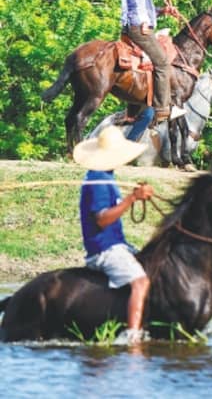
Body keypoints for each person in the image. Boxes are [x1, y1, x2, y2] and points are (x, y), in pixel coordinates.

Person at [74, 125, 156, 345]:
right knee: (140, 282)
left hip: (117, 245)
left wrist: (136, 196)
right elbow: (102, 219)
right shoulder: (98, 179)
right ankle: (133, 337)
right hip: (104, 249)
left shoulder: (106, 176)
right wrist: (131, 199)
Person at [121, 0, 185, 123]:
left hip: (136, 27)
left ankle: (136, 108)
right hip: (139, 30)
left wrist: (163, 11)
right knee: (163, 63)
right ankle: (163, 108)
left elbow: (145, 11)